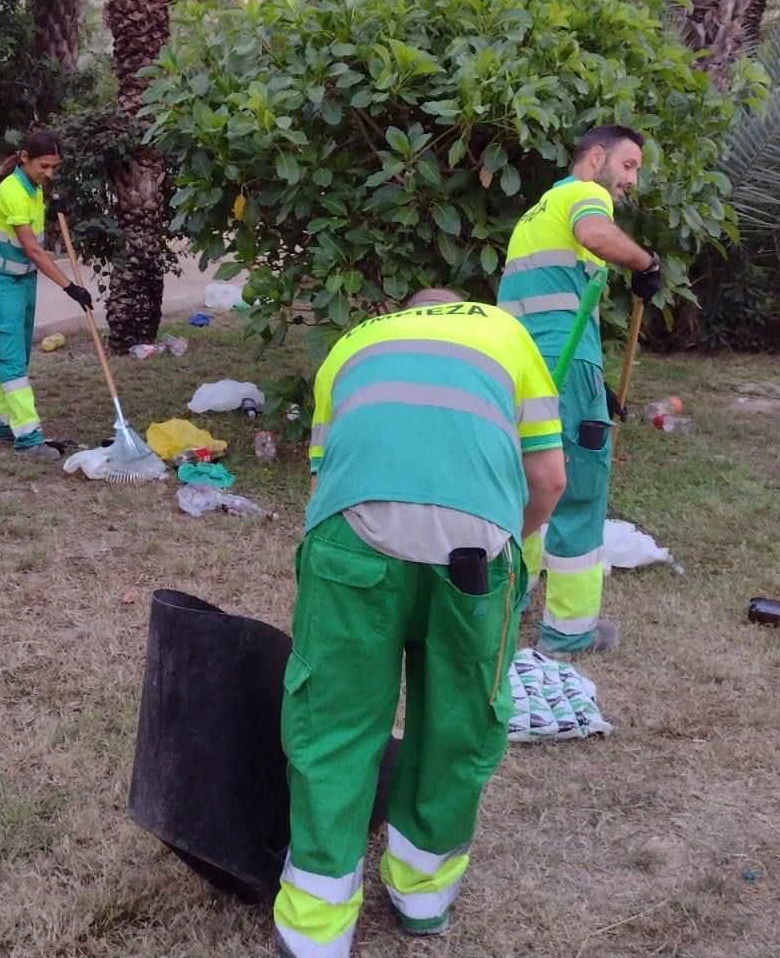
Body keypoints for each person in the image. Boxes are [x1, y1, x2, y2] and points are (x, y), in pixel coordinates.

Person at [273, 290, 567, 956]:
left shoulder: (350, 345)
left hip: (354, 544)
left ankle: (315, 929)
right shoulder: (505, 333)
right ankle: (421, 892)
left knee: (334, 722)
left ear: (403, 311)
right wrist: (505, 555)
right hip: (474, 551)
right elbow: (548, 479)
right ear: (458, 306)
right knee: (459, 720)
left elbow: (327, 483)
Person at [496, 125, 664, 655]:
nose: (630, 180)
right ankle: (570, 633)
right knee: (579, 493)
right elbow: (596, 234)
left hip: (517, 369)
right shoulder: (585, 195)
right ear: (596, 158)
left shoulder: (535, 214)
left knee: (523, 487)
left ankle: (506, 602)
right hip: (565, 366)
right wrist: (647, 263)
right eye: (629, 165)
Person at [0, 132, 92, 460]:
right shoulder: (12, 191)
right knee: (10, 357)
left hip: (23, 282)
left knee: (15, 356)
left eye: (55, 167)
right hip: (4, 285)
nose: (50, 173)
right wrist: (69, 286)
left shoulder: (33, 187)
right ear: (25, 157)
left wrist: (52, 206)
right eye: (45, 166)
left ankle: (2, 424)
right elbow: (32, 249)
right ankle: (28, 438)